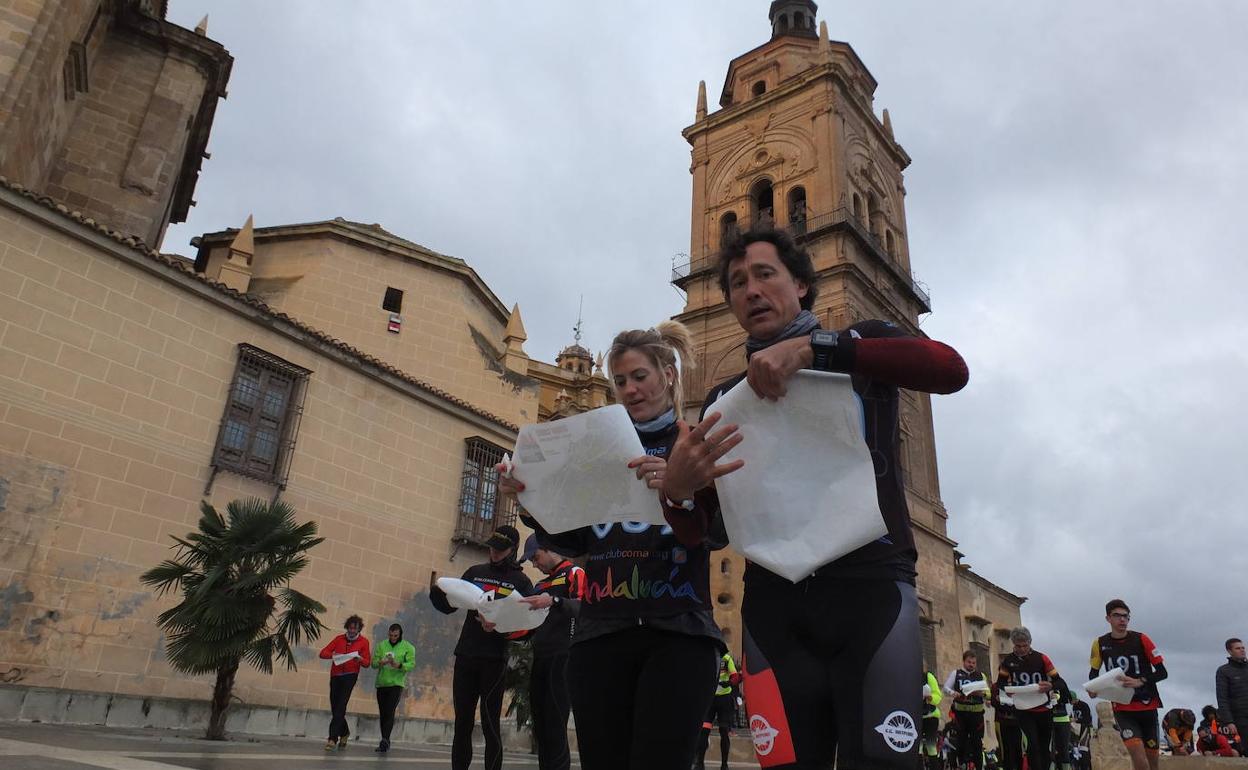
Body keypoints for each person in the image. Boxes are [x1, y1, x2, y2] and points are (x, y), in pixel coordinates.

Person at [660, 228, 968, 769]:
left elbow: (949, 369)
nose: (750, 290)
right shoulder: (720, 400)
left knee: (881, 762)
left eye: (764, 274)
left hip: (871, 593)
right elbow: (713, 532)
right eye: (736, 283)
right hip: (775, 611)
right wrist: (679, 493)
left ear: (801, 285)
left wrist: (815, 348)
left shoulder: (860, 344)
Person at [501, 321, 725, 770]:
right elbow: (577, 540)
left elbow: (718, 533)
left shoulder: (696, 444)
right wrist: (529, 501)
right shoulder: (597, 448)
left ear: (669, 376)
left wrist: (678, 490)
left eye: (640, 377)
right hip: (600, 635)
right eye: (620, 381)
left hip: (679, 634)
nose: (630, 389)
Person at [429, 525, 533, 770]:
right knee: (462, 722)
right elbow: (451, 605)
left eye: (500, 549)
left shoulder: (521, 581)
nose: (494, 553)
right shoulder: (475, 572)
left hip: (494, 659)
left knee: (490, 724)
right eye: (492, 547)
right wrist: (437, 595)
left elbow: (530, 626)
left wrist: (500, 626)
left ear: (512, 550)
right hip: (466, 654)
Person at [517, 535, 585, 770]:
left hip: (564, 656)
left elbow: (584, 607)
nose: (535, 565)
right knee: (542, 726)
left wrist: (554, 600)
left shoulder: (574, 573)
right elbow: (527, 627)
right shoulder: (540, 586)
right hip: (541, 658)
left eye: (535, 558)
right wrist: (498, 626)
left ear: (549, 549)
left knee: (556, 724)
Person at [1086, 599, 1167, 770]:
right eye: (1117, 616)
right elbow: (1094, 673)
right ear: (1108, 618)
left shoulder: (1142, 639)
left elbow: (1162, 672)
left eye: (1126, 616)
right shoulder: (1099, 643)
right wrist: (1093, 689)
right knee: (1139, 759)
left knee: (1153, 761)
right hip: (1123, 707)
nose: (1122, 620)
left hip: (1147, 705)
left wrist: (1140, 681)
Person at [996, 626, 1070, 770]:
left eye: (1025, 645)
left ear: (1030, 643)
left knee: (1044, 746)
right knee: (1032, 744)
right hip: (1023, 710)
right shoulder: (1008, 661)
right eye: (1018, 646)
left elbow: (1059, 681)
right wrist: (1007, 690)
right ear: (1013, 644)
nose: (1022, 649)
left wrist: (1050, 685)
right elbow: (1001, 683)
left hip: (1044, 708)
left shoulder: (1042, 658)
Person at [318, 614, 371, 751]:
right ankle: (345, 732)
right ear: (347, 627)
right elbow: (323, 653)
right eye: (351, 628)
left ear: (359, 629)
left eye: (356, 629)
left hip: (350, 676)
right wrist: (334, 655)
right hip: (335, 675)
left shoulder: (364, 642)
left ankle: (332, 739)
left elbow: (367, 663)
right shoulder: (339, 639)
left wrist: (359, 659)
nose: (353, 631)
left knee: (341, 706)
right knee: (335, 707)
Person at [371, 622, 415, 753]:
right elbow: (373, 664)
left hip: (396, 684)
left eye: (395, 635)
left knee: (390, 710)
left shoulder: (408, 647)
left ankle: (384, 740)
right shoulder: (381, 645)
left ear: (400, 634)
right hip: (382, 683)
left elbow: (411, 664)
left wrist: (399, 665)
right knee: (383, 713)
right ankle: (386, 739)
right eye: (390, 635)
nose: (393, 638)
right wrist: (381, 662)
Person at [945, 650, 991, 770]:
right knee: (961, 741)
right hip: (960, 714)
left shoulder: (981, 675)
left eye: (974, 663)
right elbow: (945, 688)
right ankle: (962, 764)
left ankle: (978, 766)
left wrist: (982, 694)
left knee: (977, 743)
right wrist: (953, 693)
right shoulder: (956, 673)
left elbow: (988, 694)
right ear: (964, 661)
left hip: (976, 715)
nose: (971, 665)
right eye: (969, 662)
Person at [697, 651, 742, 770]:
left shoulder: (727, 658)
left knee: (723, 730)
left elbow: (735, 676)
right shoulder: (709, 656)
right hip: (711, 698)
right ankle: (699, 763)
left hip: (724, 699)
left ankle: (724, 764)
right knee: (704, 731)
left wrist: (729, 683)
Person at [1215, 637, 1248, 756]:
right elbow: (1222, 698)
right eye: (1238, 648)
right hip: (1240, 719)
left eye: (1243, 648)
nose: (1242, 650)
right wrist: (1229, 721)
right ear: (1229, 651)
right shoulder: (1224, 671)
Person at [992, 683, 1022, 770]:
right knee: (1005, 748)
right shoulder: (996, 686)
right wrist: (998, 700)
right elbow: (993, 702)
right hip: (1002, 720)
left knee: (1018, 748)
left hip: (1018, 721)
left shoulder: (1018, 684)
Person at [921, 670, 944, 770]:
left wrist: (930, 697)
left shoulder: (928, 676)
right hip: (915, 717)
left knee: (931, 748)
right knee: (917, 748)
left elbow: (938, 696)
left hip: (931, 717)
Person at [1070, 693, 1094, 770]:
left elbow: (1088, 719)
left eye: (1070, 700)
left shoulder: (1084, 705)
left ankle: (1086, 767)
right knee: (1077, 751)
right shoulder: (1074, 706)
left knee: (1084, 750)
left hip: (1085, 729)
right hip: (1077, 731)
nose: (1070, 703)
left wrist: (1076, 720)